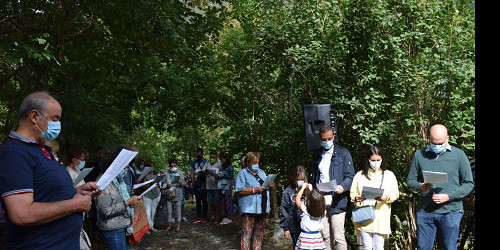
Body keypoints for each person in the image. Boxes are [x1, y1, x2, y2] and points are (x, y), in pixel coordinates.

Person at [0, 91, 100, 249]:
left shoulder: (42, 149)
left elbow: (46, 193)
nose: (58, 124)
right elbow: (21, 213)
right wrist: (74, 205)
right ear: (34, 117)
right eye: (55, 118)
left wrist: (77, 191)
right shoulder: (15, 153)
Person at [406, 124, 474, 250]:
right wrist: (420, 186)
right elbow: (410, 180)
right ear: (429, 139)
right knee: (423, 247)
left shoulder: (459, 155)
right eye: (433, 143)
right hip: (425, 211)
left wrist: (448, 196)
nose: (437, 146)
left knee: (449, 247)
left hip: (451, 211)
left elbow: (468, 184)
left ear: (447, 137)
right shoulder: (419, 155)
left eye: (440, 143)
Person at [310, 124, 354, 250]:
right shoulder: (317, 155)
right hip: (321, 199)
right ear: (320, 139)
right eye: (324, 140)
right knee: (325, 236)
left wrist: (342, 187)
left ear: (333, 136)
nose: (327, 142)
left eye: (329, 139)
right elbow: (315, 178)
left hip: (338, 199)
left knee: (338, 237)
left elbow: (350, 176)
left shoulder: (343, 154)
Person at [350, 146, 399, 250]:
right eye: (373, 160)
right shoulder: (360, 175)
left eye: (378, 160)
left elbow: (395, 193)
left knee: (378, 247)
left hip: (381, 215)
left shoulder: (389, 175)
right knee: (366, 246)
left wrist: (387, 197)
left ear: (382, 159)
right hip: (364, 215)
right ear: (368, 160)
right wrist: (356, 198)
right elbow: (353, 193)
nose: (376, 162)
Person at [95, 147, 142, 250]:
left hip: (122, 225)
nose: (126, 169)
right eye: (125, 166)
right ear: (116, 165)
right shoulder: (104, 182)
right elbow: (106, 210)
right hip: (113, 228)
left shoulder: (119, 180)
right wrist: (128, 202)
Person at [235, 151, 275, 250]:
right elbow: (239, 190)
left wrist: (270, 185)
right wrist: (255, 190)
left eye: (257, 162)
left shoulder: (261, 172)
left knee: (259, 234)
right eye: (253, 163)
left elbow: (265, 185)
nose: (256, 165)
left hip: (262, 208)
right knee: (246, 234)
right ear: (247, 162)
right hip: (249, 209)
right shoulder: (242, 173)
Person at [280, 165, 308, 248]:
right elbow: (284, 210)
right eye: (298, 180)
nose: (300, 182)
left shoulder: (307, 190)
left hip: (307, 227)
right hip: (294, 226)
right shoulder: (288, 191)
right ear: (293, 178)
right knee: (297, 246)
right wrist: (286, 228)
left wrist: (308, 190)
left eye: (302, 180)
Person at [295, 182, 326, 250]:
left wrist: (303, 188)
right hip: (317, 238)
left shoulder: (305, 209)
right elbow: (315, 201)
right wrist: (311, 190)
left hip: (305, 238)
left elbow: (297, 199)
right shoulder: (323, 211)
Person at [164, 159, 185, 232]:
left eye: (174, 165)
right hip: (169, 192)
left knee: (178, 210)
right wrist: (166, 184)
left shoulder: (180, 172)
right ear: (169, 165)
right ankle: (169, 226)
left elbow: (183, 183)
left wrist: (179, 181)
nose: (173, 166)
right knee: (169, 210)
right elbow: (163, 183)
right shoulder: (167, 173)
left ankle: (178, 226)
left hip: (178, 192)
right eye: (171, 165)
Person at [204, 150, 223, 224]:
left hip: (216, 186)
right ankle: (212, 216)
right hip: (208, 185)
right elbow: (203, 170)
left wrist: (218, 174)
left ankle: (217, 217)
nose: (212, 157)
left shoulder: (219, 163)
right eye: (211, 156)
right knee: (211, 202)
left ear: (216, 156)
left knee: (216, 202)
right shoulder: (207, 162)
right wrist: (206, 171)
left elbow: (222, 172)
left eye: (213, 156)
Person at [190, 148, 208, 223]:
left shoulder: (206, 161)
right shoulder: (194, 161)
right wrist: (192, 181)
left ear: (202, 154)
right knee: (198, 201)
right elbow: (191, 171)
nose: (198, 155)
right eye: (197, 154)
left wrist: (201, 173)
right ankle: (198, 216)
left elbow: (208, 171)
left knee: (204, 200)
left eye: (199, 154)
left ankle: (204, 217)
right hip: (196, 183)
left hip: (203, 183)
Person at [218, 152, 235, 225]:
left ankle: (228, 217)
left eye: (223, 158)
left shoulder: (230, 166)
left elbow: (231, 176)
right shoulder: (222, 166)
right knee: (222, 201)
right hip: (221, 185)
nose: (222, 160)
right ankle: (225, 216)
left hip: (228, 185)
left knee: (228, 200)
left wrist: (222, 174)